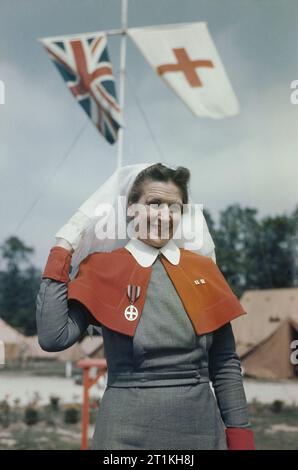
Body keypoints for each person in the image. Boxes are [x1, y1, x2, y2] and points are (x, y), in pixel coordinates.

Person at [36, 162, 255, 450]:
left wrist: (240, 437)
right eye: (154, 203)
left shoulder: (204, 270)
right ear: (131, 209)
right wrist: (63, 246)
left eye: (174, 207)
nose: (164, 215)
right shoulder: (102, 268)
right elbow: (53, 337)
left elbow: (225, 363)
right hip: (124, 436)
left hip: (201, 432)